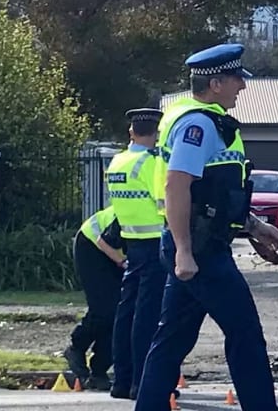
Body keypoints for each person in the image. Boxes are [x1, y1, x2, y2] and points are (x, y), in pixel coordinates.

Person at [134, 43, 278, 411]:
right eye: (237, 79)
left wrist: (254, 226)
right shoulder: (198, 124)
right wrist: (185, 252)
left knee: (171, 341)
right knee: (245, 333)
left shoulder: (209, 121)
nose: (243, 86)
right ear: (216, 83)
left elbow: (214, 196)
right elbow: (177, 184)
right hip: (200, 250)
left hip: (198, 243)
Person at [107, 108, 166, 401]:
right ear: (157, 134)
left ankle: (122, 380)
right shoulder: (152, 164)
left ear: (131, 132)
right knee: (148, 315)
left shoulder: (118, 161)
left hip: (131, 242)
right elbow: (164, 203)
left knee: (126, 311)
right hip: (156, 243)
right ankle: (143, 383)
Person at [64, 205, 126, 391]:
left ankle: (99, 370)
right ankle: (77, 347)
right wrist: (121, 261)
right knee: (106, 309)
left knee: (123, 313)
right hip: (93, 245)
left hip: (120, 255)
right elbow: (102, 240)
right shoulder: (134, 211)